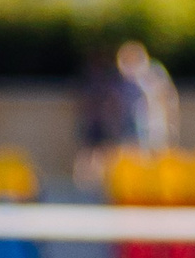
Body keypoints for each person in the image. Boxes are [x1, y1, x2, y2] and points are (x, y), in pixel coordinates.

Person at [74, 40, 180, 188]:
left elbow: (166, 99)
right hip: (129, 126)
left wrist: (168, 123)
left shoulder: (152, 76)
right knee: (127, 156)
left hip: (150, 124)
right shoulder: (120, 81)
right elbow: (113, 105)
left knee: (151, 156)